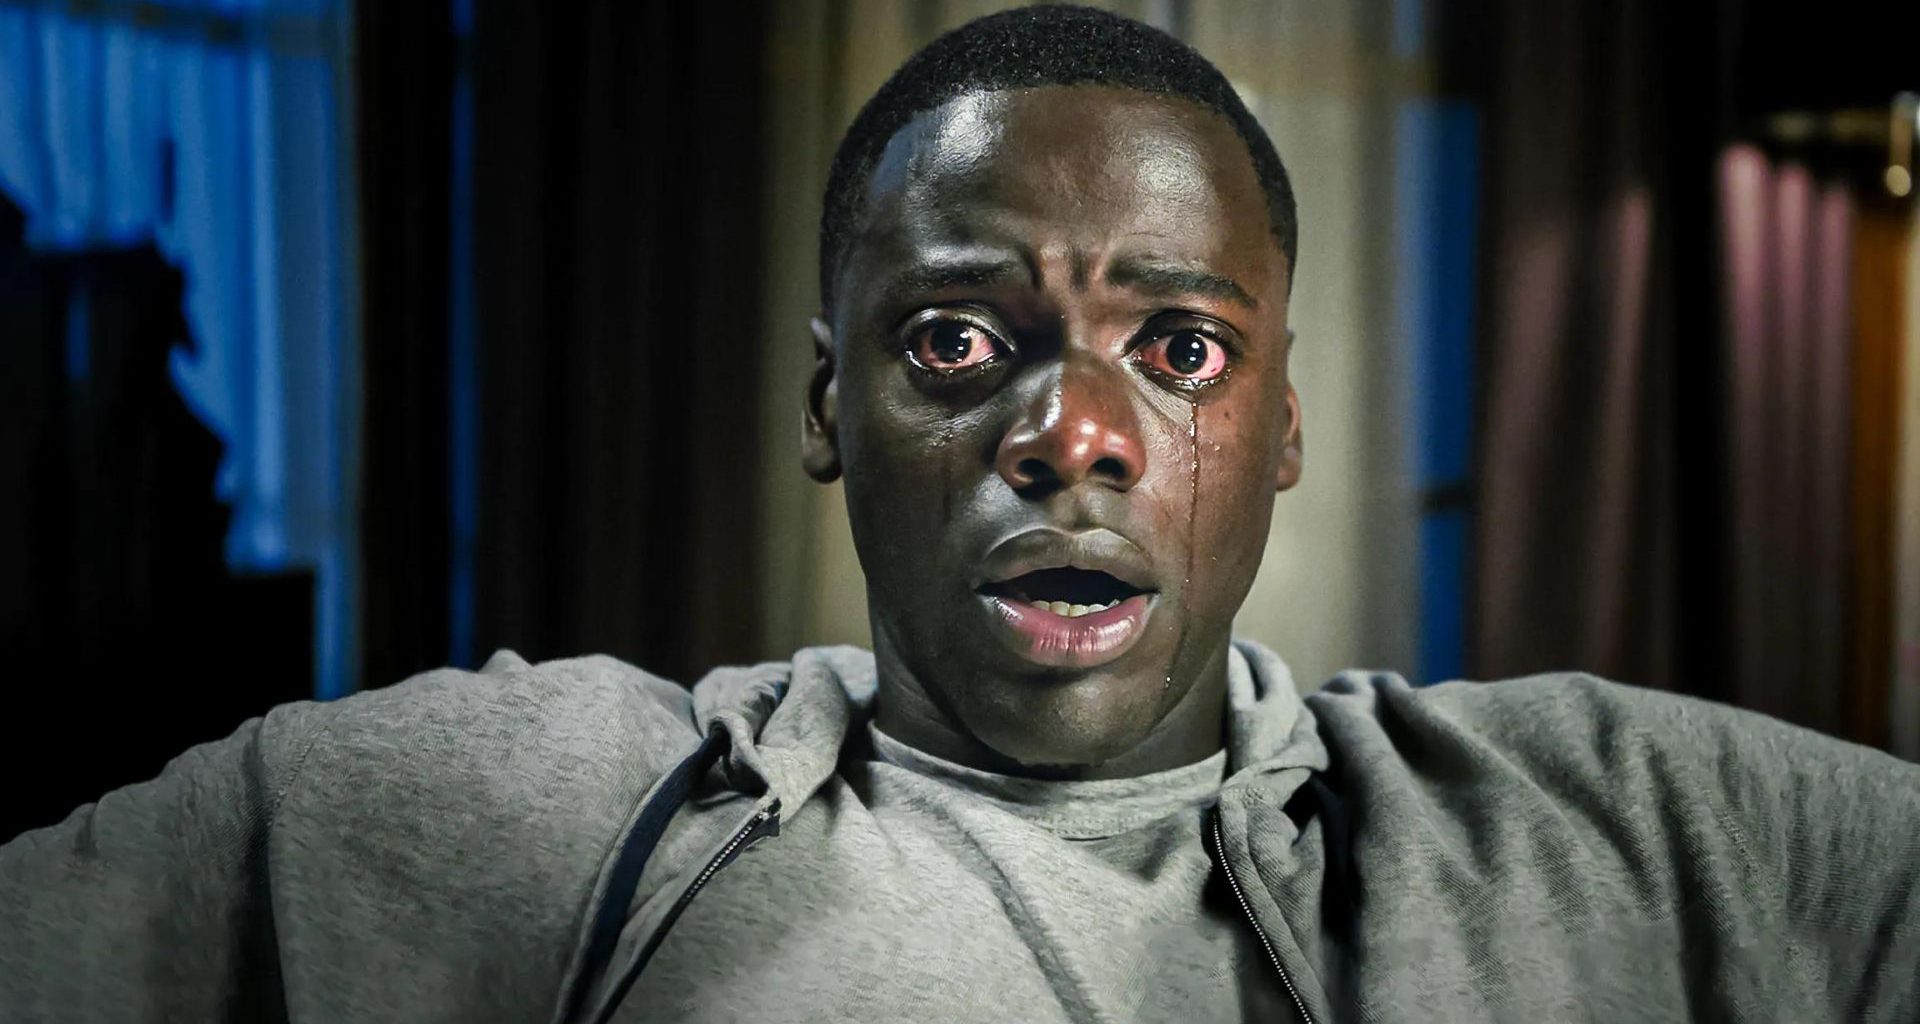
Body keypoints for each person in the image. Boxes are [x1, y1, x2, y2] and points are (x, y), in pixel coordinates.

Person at [4, 6, 1915, 1022]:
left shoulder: (1630, 828)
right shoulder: (523, 808)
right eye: (955, 341)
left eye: (1179, 350)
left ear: (1282, 427)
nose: (1072, 434)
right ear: (828, 407)